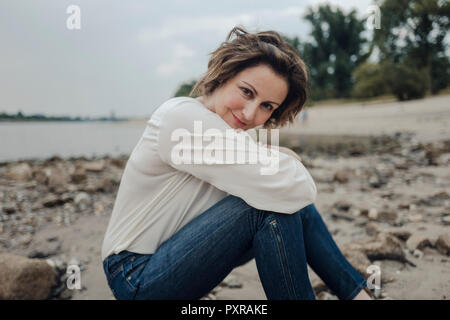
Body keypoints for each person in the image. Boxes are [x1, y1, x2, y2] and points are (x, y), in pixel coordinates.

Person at [101, 25, 373, 300]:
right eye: (246, 92)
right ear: (224, 75)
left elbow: (292, 189)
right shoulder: (180, 118)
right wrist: (279, 159)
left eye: (268, 106)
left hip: (172, 260)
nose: (250, 113)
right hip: (136, 277)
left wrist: (270, 160)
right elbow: (299, 186)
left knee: (283, 202)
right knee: (272, 207)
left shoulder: (226, 133)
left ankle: (358, 295)